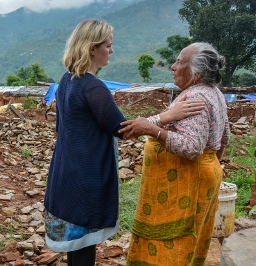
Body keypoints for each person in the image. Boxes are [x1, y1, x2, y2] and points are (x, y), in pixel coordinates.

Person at [43, 19, 205, 266]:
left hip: (65, 169)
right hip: (86, 175)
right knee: (85, 243)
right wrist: (166, 117)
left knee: (77, 244)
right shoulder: (93, 87)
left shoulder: (66, 81)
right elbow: (124, 130)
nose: (112, 50)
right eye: (108, 45)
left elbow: (62, 126)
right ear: (91, 49)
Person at [119, 42, 230, 266]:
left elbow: (191, 147)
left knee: (175, 244)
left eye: (179, 62)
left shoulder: (195, 97)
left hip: (187, 186)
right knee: (192, 241)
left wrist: (153, 130)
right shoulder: (213, 93)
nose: (173, 66)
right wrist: (211, 164)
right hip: (202, 176)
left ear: (195, 72)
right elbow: (224, 136)